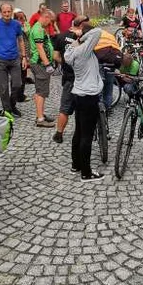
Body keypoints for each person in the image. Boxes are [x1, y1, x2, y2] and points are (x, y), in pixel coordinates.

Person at [63, 18, 105, 181]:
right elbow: (98, 32)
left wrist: (77, 39)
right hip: (88, 96)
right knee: (86, 136)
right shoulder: (84, 50)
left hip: (78, 94)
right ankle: (86, 173)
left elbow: (73, 47)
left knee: (79, 132)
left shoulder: (72, 51)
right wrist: (82, 35)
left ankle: (76, 165)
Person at [0, 3, 28, 116]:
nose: (7, 14)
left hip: (14, 59)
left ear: (12, 12)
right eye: (4, 12)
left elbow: (21, 40)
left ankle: (12, 105)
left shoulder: (16, 24)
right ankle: (7, 110)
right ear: (1, 12)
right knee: (3, 88)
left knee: (17, 84)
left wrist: (23, 57)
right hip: (0, 60)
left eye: (9, 12)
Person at [29, 8, 56, 128]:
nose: (50, 24)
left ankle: (40, 114)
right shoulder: (38, 29)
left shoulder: (39, 27)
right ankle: (40, 119)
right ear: (46, 17)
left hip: (40, 64)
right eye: (50, 21)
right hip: (40, 64)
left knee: (41, 91)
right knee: (41, 92)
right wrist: (47, 64)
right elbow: (40, 48)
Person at [52, 24, 79, 144]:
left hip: (69, 78)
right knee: (83, 108)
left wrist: (66, 62)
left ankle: (59, 134)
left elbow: (55, 56)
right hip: (84, 78)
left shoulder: (61, 36)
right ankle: (82, 132)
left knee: (65, 108)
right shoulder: (87, 37)